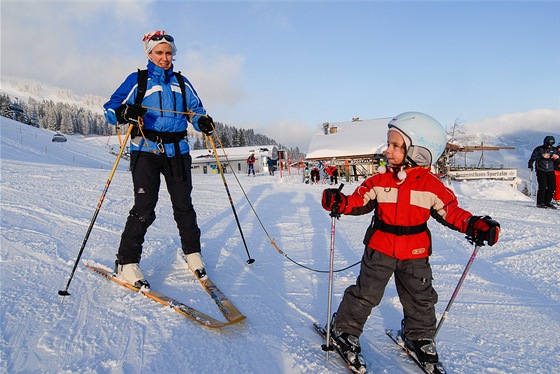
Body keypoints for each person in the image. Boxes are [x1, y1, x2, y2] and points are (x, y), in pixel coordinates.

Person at [321, 112, 500, 372]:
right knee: (366, 294)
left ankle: (419, 335)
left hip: (415, 252)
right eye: (389, 143)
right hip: (380, 249)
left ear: (418, 151)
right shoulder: (379, 180)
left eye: (395, 145)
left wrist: (474, 225)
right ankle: (344, 329)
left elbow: (451, 212)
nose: (388, 150)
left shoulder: (432, 186)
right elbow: (358, 201)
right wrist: (341, 203)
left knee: (420, 297)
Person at [103, 30, 215, 288]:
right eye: (159, 53)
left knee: (184, 206)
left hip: (178, 152)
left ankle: (192, 254)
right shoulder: (138, 80)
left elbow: (195, 111)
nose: (164, 58)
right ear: (149, 54)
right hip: (146, 150)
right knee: (145, 207)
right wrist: (124, 112)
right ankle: (127, 262)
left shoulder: (182, 82)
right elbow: (110, 108)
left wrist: (203, 122)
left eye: (168, 53)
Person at [528, 136, 559, 209]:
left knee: (552, 187)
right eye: (548, 144)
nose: (549, 146)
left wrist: (556, 158)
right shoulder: (539, 149)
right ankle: (540, 202)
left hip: (551, 170)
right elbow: (533, 157)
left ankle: (547, 201)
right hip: (541, 170)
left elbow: (558, 159)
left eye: (551, 144)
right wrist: (541, 157)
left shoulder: (554, 150)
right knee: (543, 186)